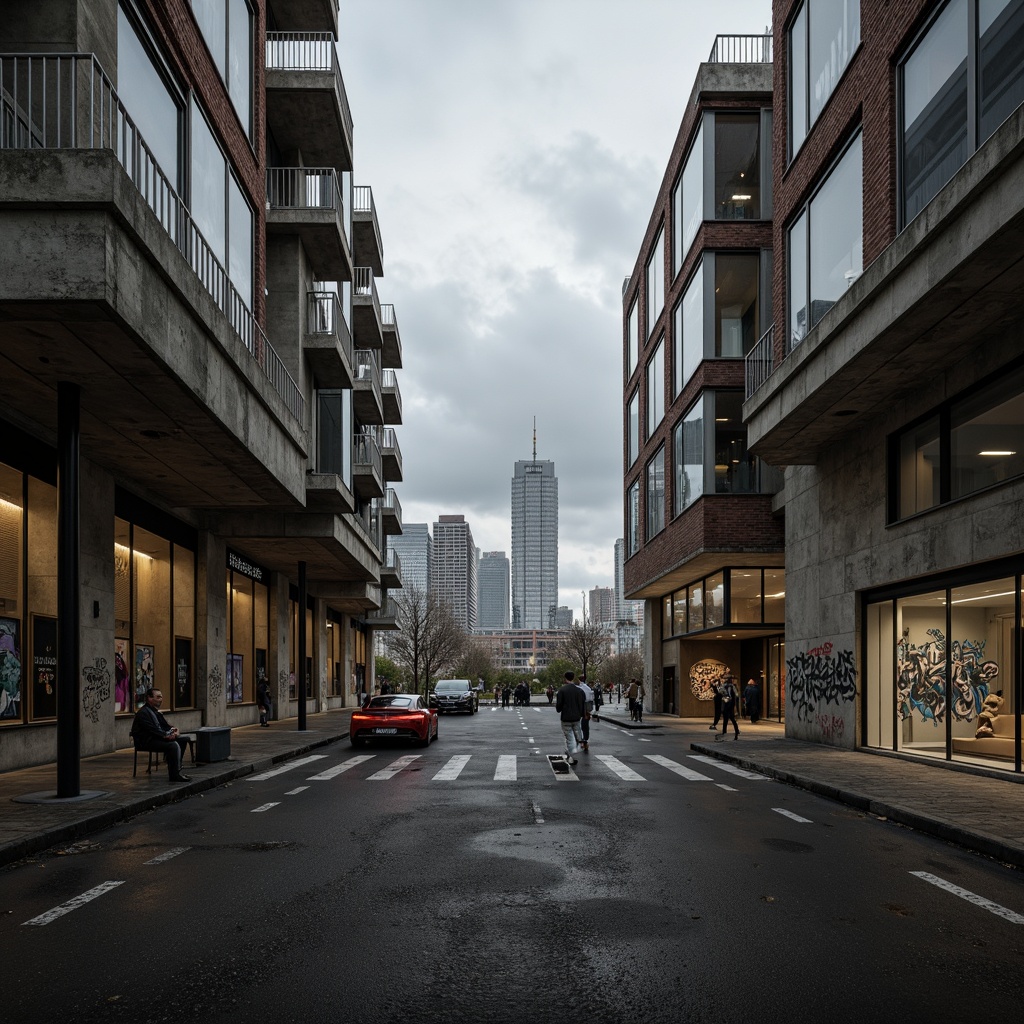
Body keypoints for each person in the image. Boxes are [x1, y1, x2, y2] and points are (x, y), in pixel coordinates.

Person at [131, 687, 191, 782]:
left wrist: (174, 731)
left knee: (183, 739)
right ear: (150, 698)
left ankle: (176, 766)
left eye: (161, 697)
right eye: (158, 697)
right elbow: (153, 730)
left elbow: (165, 726)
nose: (161, 699)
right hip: (147, 741)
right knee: (173, 745)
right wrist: (166, 736)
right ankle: (174, 775)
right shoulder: (144, 713)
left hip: (155, 738)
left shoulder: (155, 712)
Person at [555, 670, 585, 765]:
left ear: (565, 678)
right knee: (577, 735)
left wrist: (560, 708)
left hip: (566, 717)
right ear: (573, 677)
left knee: (568, 737)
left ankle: (571, 755)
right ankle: (574, 751)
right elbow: (582, 704)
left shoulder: (562, 690)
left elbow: (559, 706)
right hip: (576, 717)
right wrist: (581, 714)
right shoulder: (579, 690)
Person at [716, 674, 740, 740]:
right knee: (728, 720)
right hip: (727, 704)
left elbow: (736, 695)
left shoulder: (731, 686)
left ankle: (735, 731)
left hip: (729, 704)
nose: (724, 680)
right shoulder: (727, 686)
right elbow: (720, 692)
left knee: (730, 719)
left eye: (726, 679)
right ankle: (729, 731)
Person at [578, 674, 594, 751]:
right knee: (585, 725)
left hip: (580, 707)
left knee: (579, 725)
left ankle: (582, 741)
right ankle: (585, 741)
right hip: (586, 708)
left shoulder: (579, 688)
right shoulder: (588, 688)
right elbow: (590, 700)